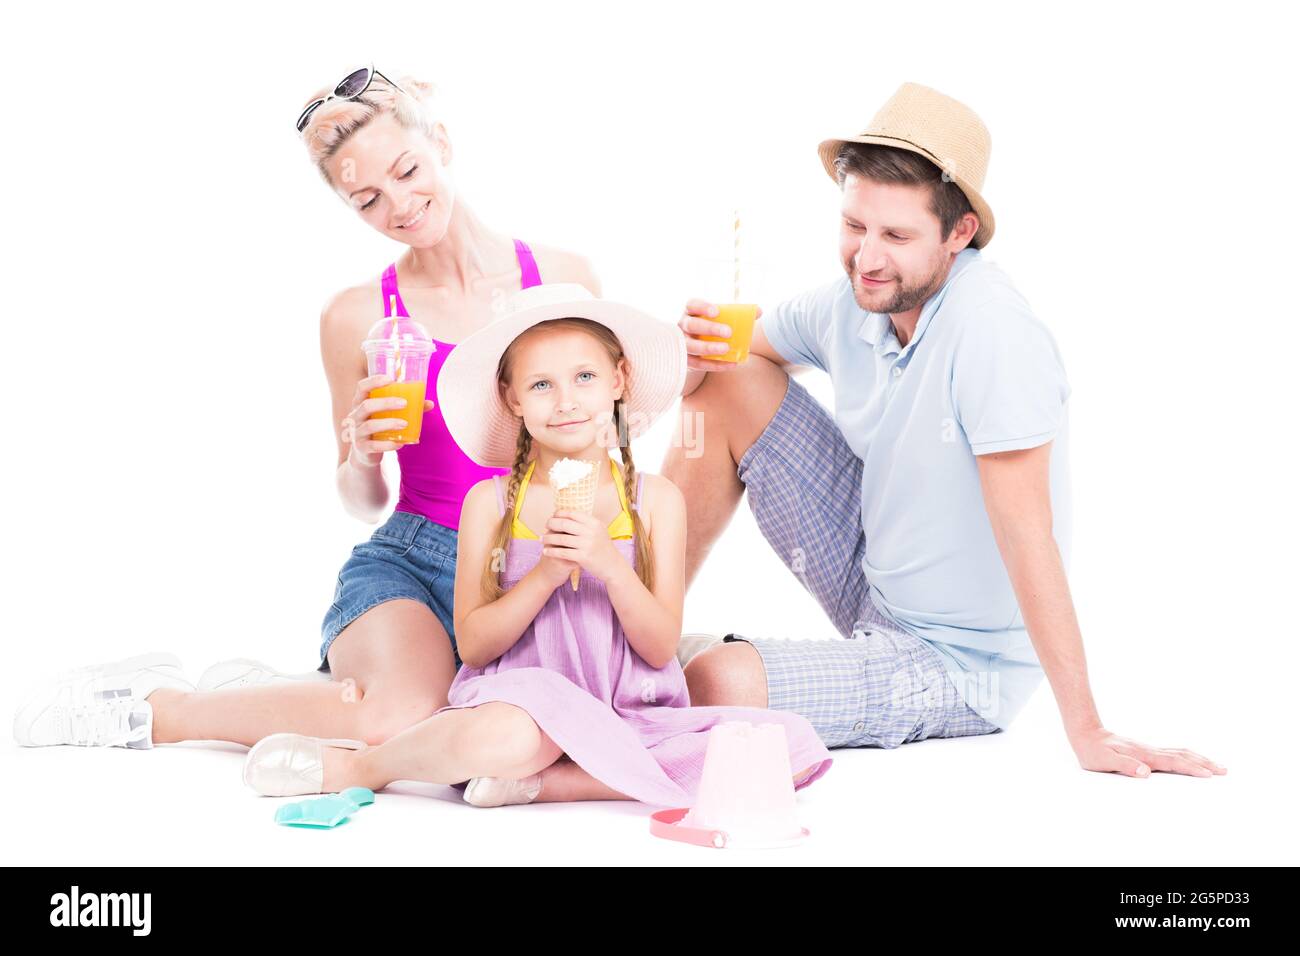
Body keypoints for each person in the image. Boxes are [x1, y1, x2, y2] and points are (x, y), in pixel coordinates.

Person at [12, 65, 601, 753]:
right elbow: (362, 499)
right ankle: (154, 708)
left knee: (518, 731)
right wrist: (362, 453)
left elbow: (602, 447)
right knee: (397, 718)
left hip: (530, 562)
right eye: (368, 200)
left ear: (440, 141)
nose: (401, 207)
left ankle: (269, 694)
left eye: (408, 170)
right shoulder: (357, 316)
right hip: (417, 560)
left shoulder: (565, 280)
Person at [670, 82, 1226, 780]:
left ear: (958, 235)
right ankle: (630, 640)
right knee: (730, 377)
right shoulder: (855, 300)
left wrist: (1087, 727)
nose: (867, 258)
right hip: (872, 575)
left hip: (956, 662)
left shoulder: (992, 332)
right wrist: (687, 358)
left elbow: (1030, 534)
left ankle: (676, 672)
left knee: (720, 686)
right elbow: (732, 364)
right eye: (854, 226)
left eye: (897, 236)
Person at [241, 284, 834, 806]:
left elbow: (658, 648)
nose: (567, 400)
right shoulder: (491, 503)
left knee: (784, 748)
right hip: (522, 707)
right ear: (513, 400)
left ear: (619, 381)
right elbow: (473, 644)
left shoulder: (654, 502)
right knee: (503, 738)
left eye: (584, 377)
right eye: (541, 384)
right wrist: (545, 575)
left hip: (628, 713)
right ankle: (365, 766)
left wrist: (609, 564)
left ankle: (548, 784)